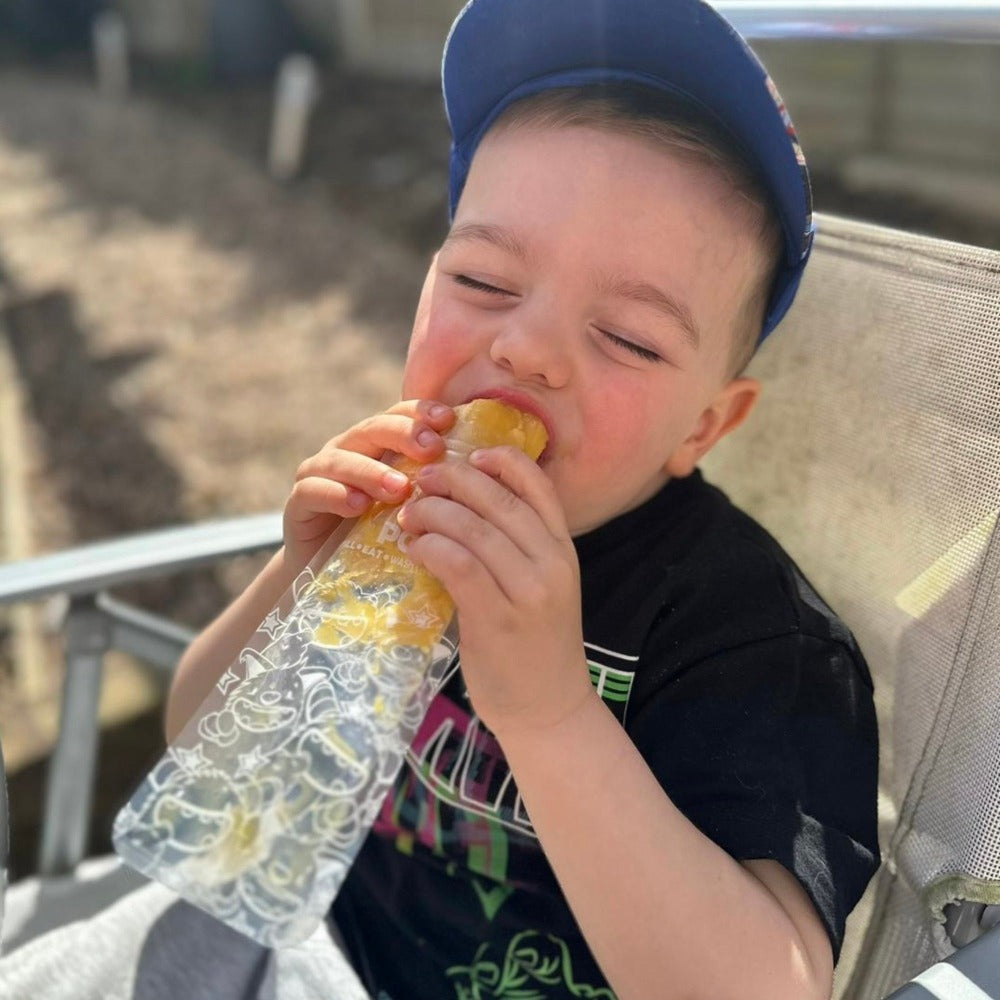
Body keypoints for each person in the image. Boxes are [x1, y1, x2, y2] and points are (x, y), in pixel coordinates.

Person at [166, 1, 880, 997]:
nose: (526, 348)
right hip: (317, 946)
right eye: (483, 278)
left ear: (704, 427)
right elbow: (203, 747)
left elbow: (769, 985)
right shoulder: (390, 514)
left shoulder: (755, 640)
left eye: (628, 337)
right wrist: (295, 579)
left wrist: (547, 715)